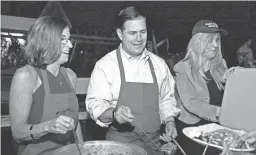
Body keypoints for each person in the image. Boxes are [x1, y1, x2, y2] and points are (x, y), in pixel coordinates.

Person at [85, 6, 180, 155]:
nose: (139, 39)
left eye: (143, 32)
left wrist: (170, 121)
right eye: (132, 33)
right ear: (120, 34)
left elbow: (167, 99)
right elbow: (95, 106)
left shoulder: (159, 65)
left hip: (154, 145)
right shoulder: (105, 65)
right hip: (119, 146)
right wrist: (115, 113)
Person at [9, 16, 83, 155]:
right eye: (63, 40)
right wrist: (48, 126)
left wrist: (83, 149)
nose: (70, 45)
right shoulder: (26, 76)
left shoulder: (70, 76)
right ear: (46, 41)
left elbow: (75, 123)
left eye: (69, 39)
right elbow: (17, 132)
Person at [173, 19, 239, 155]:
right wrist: (219, 112)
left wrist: (230, 83)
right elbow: (190, 103)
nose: (215, 45)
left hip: (217, 129)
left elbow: (229, 98)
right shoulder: (182, 68)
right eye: (210, 40)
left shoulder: (221, 65)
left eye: (217, 40)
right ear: (199, 42)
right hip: (192, 131)